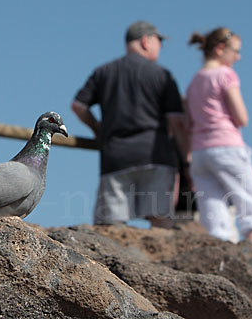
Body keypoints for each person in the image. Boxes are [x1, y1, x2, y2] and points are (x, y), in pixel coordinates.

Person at [72, 21, 190, 229]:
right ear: (146, 41)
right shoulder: (162, 75)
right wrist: (187, 161)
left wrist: (98, 130)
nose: (160, 47)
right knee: (160, 222)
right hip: (156, 156)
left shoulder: (104, 72)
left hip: (115, 156)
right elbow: (176, 122)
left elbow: (78, 106)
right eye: (159, 41)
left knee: (111, 227)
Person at [186, 27, 252, 248]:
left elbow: (188, 120)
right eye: (235, 51)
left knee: (214, 216)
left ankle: (221, 264)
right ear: (220, 49)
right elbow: (241, 117)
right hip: (227, 147)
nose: (238, 56)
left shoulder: (195, 81)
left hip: (200, 152)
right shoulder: (226, 75)